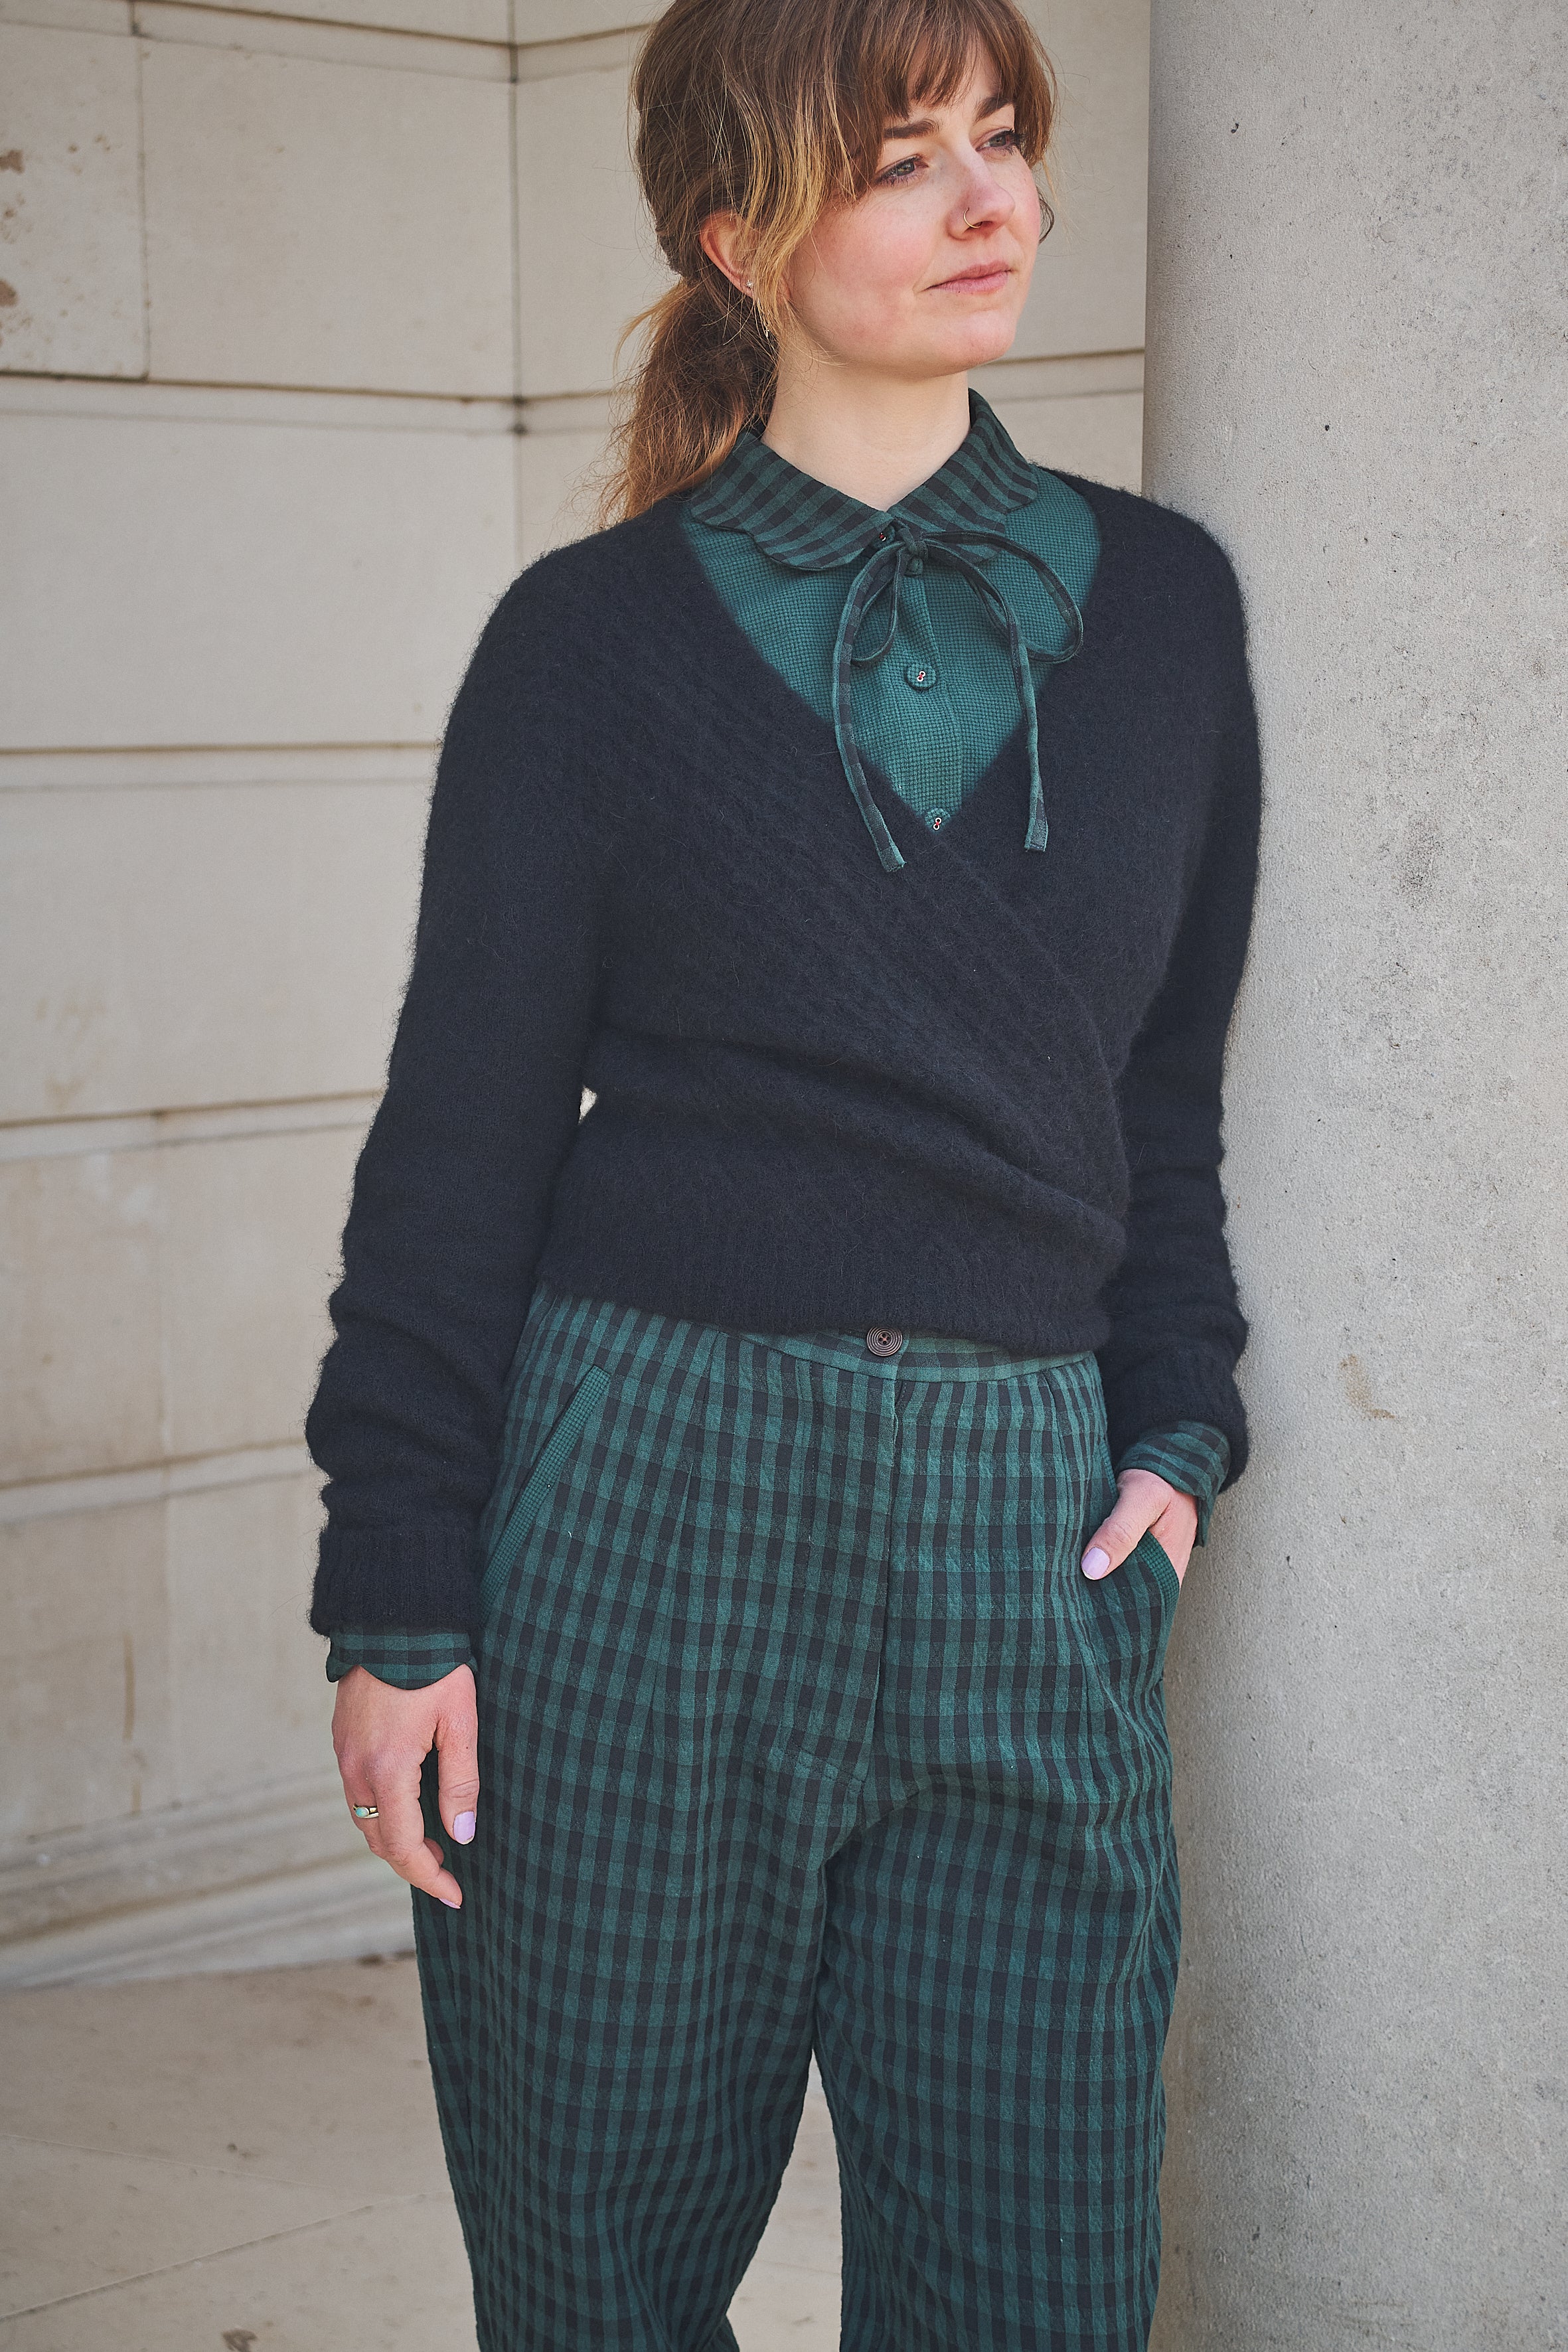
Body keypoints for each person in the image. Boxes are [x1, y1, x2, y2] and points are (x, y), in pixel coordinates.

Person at [307, 0, 1261, 2341]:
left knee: (1037, 2281)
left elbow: (1164, 1093)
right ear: (736, 236)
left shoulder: (1164, 611)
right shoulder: (584, 648)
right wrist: (398, 1595)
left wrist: (1174, 1423)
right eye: (900, 157)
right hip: (647, 1500)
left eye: (1001, 136)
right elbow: (457, 1144)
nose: (989, 198)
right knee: (596, 2278)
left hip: (1025, 1523)